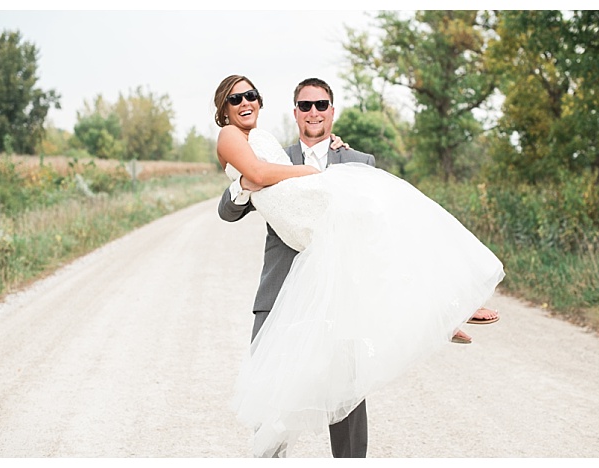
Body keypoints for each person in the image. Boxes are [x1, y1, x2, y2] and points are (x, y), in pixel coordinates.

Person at [214, 75, 504, 457]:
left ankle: (446, 308)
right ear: (295, 112)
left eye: (321, 105)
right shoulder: (271, 150)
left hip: (339, 296)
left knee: (346, 395)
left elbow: (375, 240)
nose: (313, 112)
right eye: (305, 106)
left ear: (332, 111)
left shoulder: (355, 161)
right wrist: (244, 187)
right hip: (282, 291)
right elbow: (228, 209)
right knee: (270, 398)